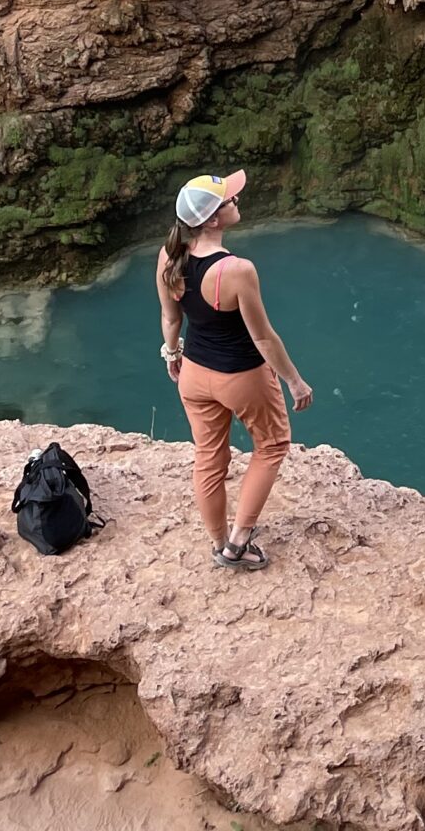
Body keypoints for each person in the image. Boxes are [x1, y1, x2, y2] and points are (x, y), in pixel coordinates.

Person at [157, 169, 312, 569]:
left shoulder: (169, 255)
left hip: (193, 375)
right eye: (229, 200)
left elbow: (171, 319)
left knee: (209, 458)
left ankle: (217, 541)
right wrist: (294, 381)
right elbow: (263, 339)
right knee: (273, 445)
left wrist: (172, 355)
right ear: (212, 219)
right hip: (241, 376)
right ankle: (239, 540)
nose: (236, 201)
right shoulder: (236, 270)